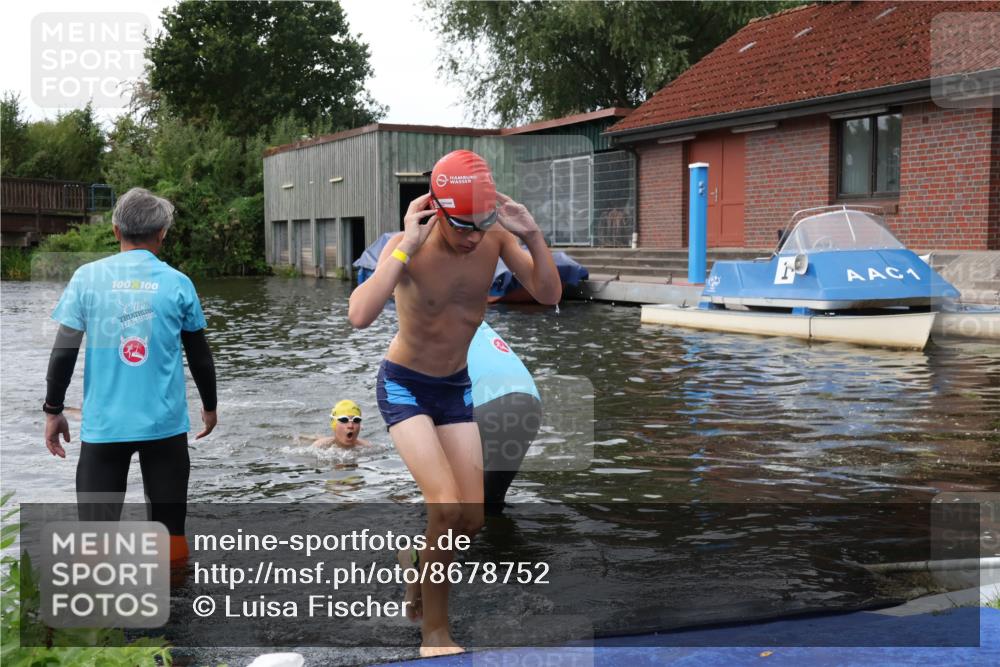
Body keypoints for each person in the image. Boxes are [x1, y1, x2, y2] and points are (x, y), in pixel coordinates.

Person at [347, 150, 561, 657]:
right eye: (461, 225)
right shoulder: (408, 247)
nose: (470, 238)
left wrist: (531, 234)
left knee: (472, 519)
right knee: (444, 507)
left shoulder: (497, 238)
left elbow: (549, 294)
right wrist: (402, 248)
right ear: (437, 209)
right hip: (404, 385)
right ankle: (434, 633)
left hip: (456, 388)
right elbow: (359, 315)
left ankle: (414, 561)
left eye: (479, 225)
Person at [43, 187, 217, 565]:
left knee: (95, 541)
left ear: (115, 229)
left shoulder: (87, 278)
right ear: (162, 234)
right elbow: (200, 357)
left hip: (104, 429)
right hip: (165, 429)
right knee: (170, 533)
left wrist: (53, 409)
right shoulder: (178, 283)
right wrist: (209, 407)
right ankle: (174, 616)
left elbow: (64, 353)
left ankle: (100, 618)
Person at [468, 321, 541, 516]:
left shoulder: (433, 318)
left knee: (452, 502)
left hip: (488, 405)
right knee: (491, 502)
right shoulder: (474, 316)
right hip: (529, 404)